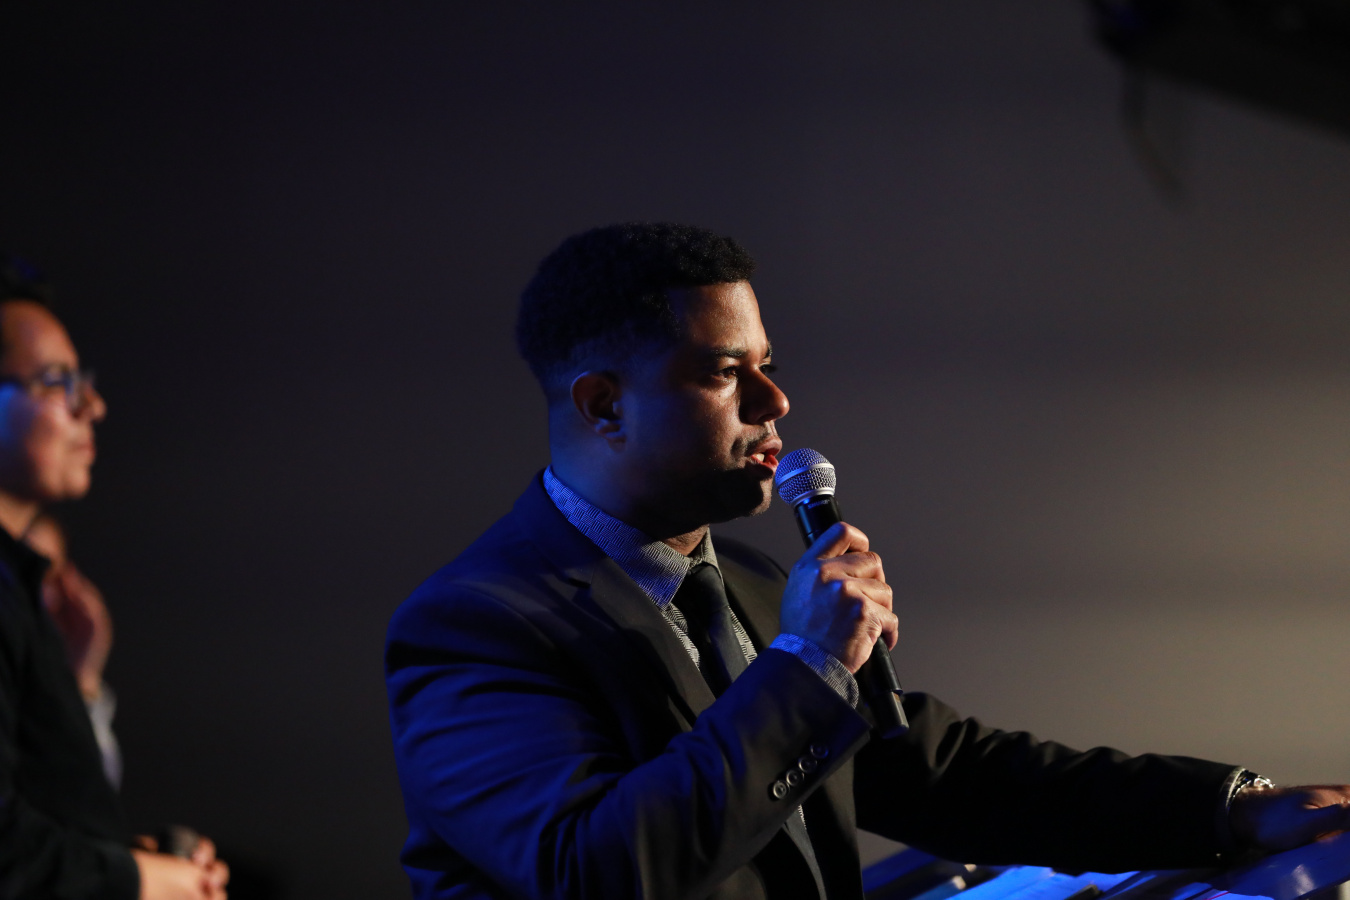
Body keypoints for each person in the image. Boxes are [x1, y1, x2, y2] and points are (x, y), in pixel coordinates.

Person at [385, 224, 1350, 900]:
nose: (775, 402)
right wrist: (809, 665)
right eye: (725, 372)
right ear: (604, 406)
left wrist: (1230, 812)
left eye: (767, 364)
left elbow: (940, 774)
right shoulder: (478, 623)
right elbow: (596, 872)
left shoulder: (753, 584)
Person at [0, 255, 229, 899]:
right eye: (56, 382)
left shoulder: (19, 584)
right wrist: (141, 880)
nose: (92, 406)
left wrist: (131, 861)